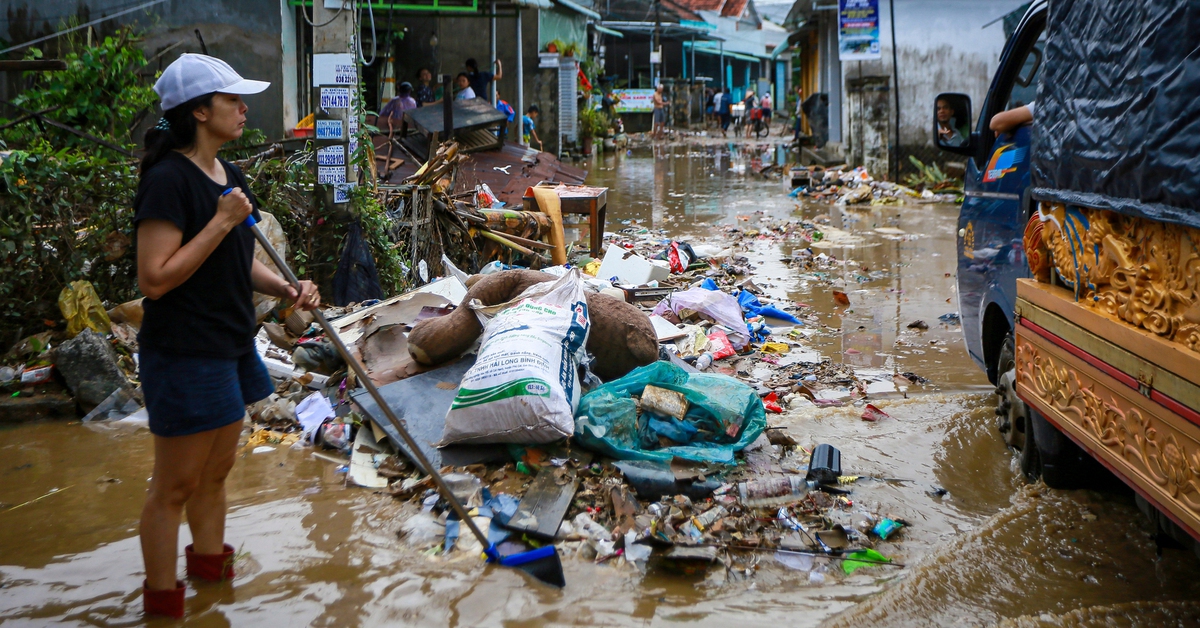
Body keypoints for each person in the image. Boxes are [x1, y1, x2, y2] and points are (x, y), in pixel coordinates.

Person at [134, 54, 320, 619]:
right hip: (185, 350)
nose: (244, 109)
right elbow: (155, 278)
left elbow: (239, 262)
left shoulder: (229, 177)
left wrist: (288, 289)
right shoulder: (168, 181)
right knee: (175, 485)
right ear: (198, 111)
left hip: (231, 343)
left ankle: (214, 591)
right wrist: (218, 221)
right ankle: (164, 606)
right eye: (232, 100)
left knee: (215, 474)